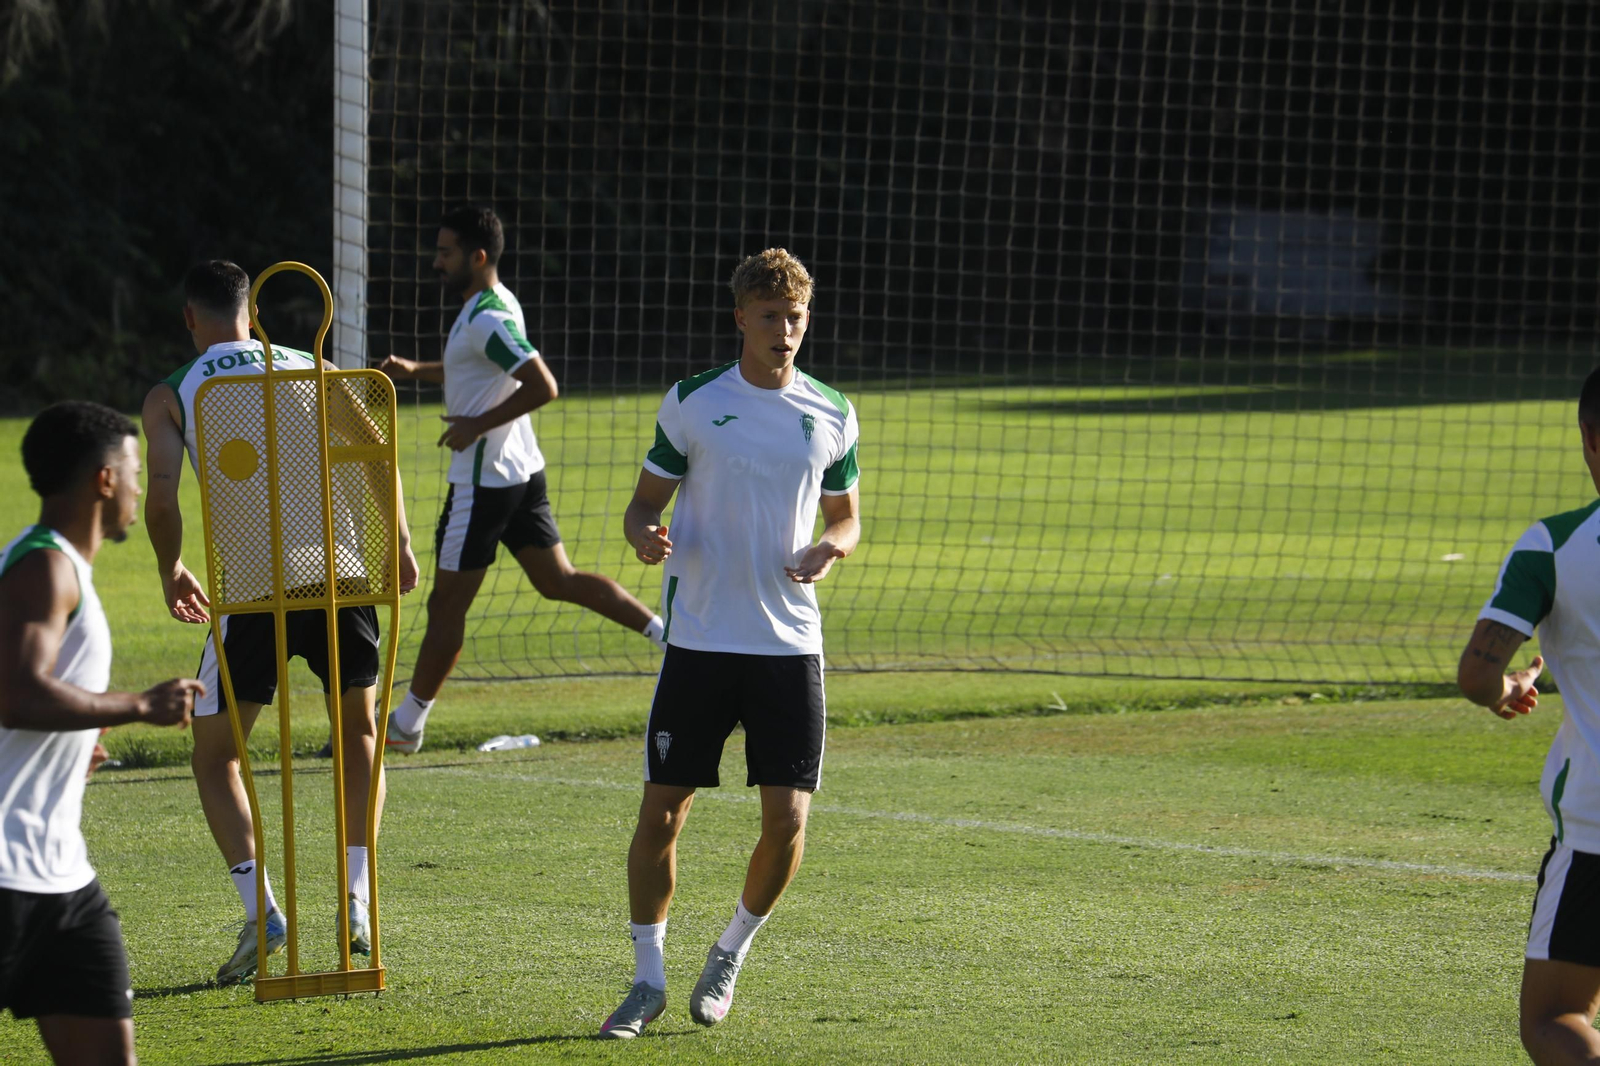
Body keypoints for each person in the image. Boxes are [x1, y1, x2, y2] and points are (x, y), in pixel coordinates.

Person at [598, 248, 861, 1038]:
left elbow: (847, 513)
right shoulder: (691, 402)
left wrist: (834, 545)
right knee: (663, 815)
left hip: (789, 647)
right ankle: (646, 978)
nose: (786, 331)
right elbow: (643, 505)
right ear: (741, 317)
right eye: (772, 317)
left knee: (786, 822)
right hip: (703, 643)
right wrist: (647, 536)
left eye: (797, 317)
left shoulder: (833, 411)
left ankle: (730, 952)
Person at [142, 260, 420, 985]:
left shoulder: (173, 393)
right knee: (359, 738)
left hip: (254, 593)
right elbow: (377, 452)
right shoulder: (313, 366)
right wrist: (401, 541)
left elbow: (163, 498)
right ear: (250, 308)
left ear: (189, 317)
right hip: (342, 577)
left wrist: (170, 566)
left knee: (215, 755)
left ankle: (262, 911)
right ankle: (356, 899)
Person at [377, 206, 665, 755]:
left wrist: (474, 426)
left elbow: (543, 385)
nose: (436, 262)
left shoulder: (488, 317)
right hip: (519, 472)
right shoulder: (492, 304)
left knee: (445, 607)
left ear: (476, 257)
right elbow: (479, 367)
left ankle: (407, 724)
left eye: (445, 253)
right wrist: (419, 370)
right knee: (557, 581)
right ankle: (667, 638)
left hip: (484, 483)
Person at [0, 402, 202, 1065]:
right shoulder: (44, 567)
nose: (142, 486)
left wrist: (75, 742)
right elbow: (17, 693)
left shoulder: (58, 569)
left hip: (60, 877)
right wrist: (137, 706)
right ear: (105, 480)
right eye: (136, 469)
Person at [1458, 365, 1600, 1065]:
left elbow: (1477, 671)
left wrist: (1506, 689)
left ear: (1590, 441)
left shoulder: (1553, 545)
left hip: (1598, 826)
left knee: (1556, 1016)